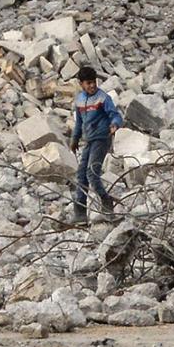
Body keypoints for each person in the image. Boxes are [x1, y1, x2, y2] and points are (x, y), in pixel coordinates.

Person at [68, 64, 123, 226]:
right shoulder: (79, 100)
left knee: (92, 172)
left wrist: (114, 124)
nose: (92, 86)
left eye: (94, 82)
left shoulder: (103, 98)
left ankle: (107, 203)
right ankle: (80, 213)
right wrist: (74, 139)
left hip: (102, 139)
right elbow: (79, 122)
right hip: (89, 140)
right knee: (81, 174)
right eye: (88, 83)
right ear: (81, 84)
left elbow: (115, 114)